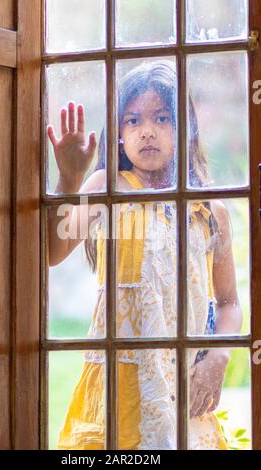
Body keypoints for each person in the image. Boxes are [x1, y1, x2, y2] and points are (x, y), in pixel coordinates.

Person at [47, 60, 243, 450]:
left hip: (186, 384)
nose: (147, 132)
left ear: (184, 129)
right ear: (118, 134)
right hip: (119, 384)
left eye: (163, 118)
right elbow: (53, 251)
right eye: (133, 120)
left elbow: (229, 303)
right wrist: (70, 178)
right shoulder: (107, 187)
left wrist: (217, 360)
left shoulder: (208, 209)